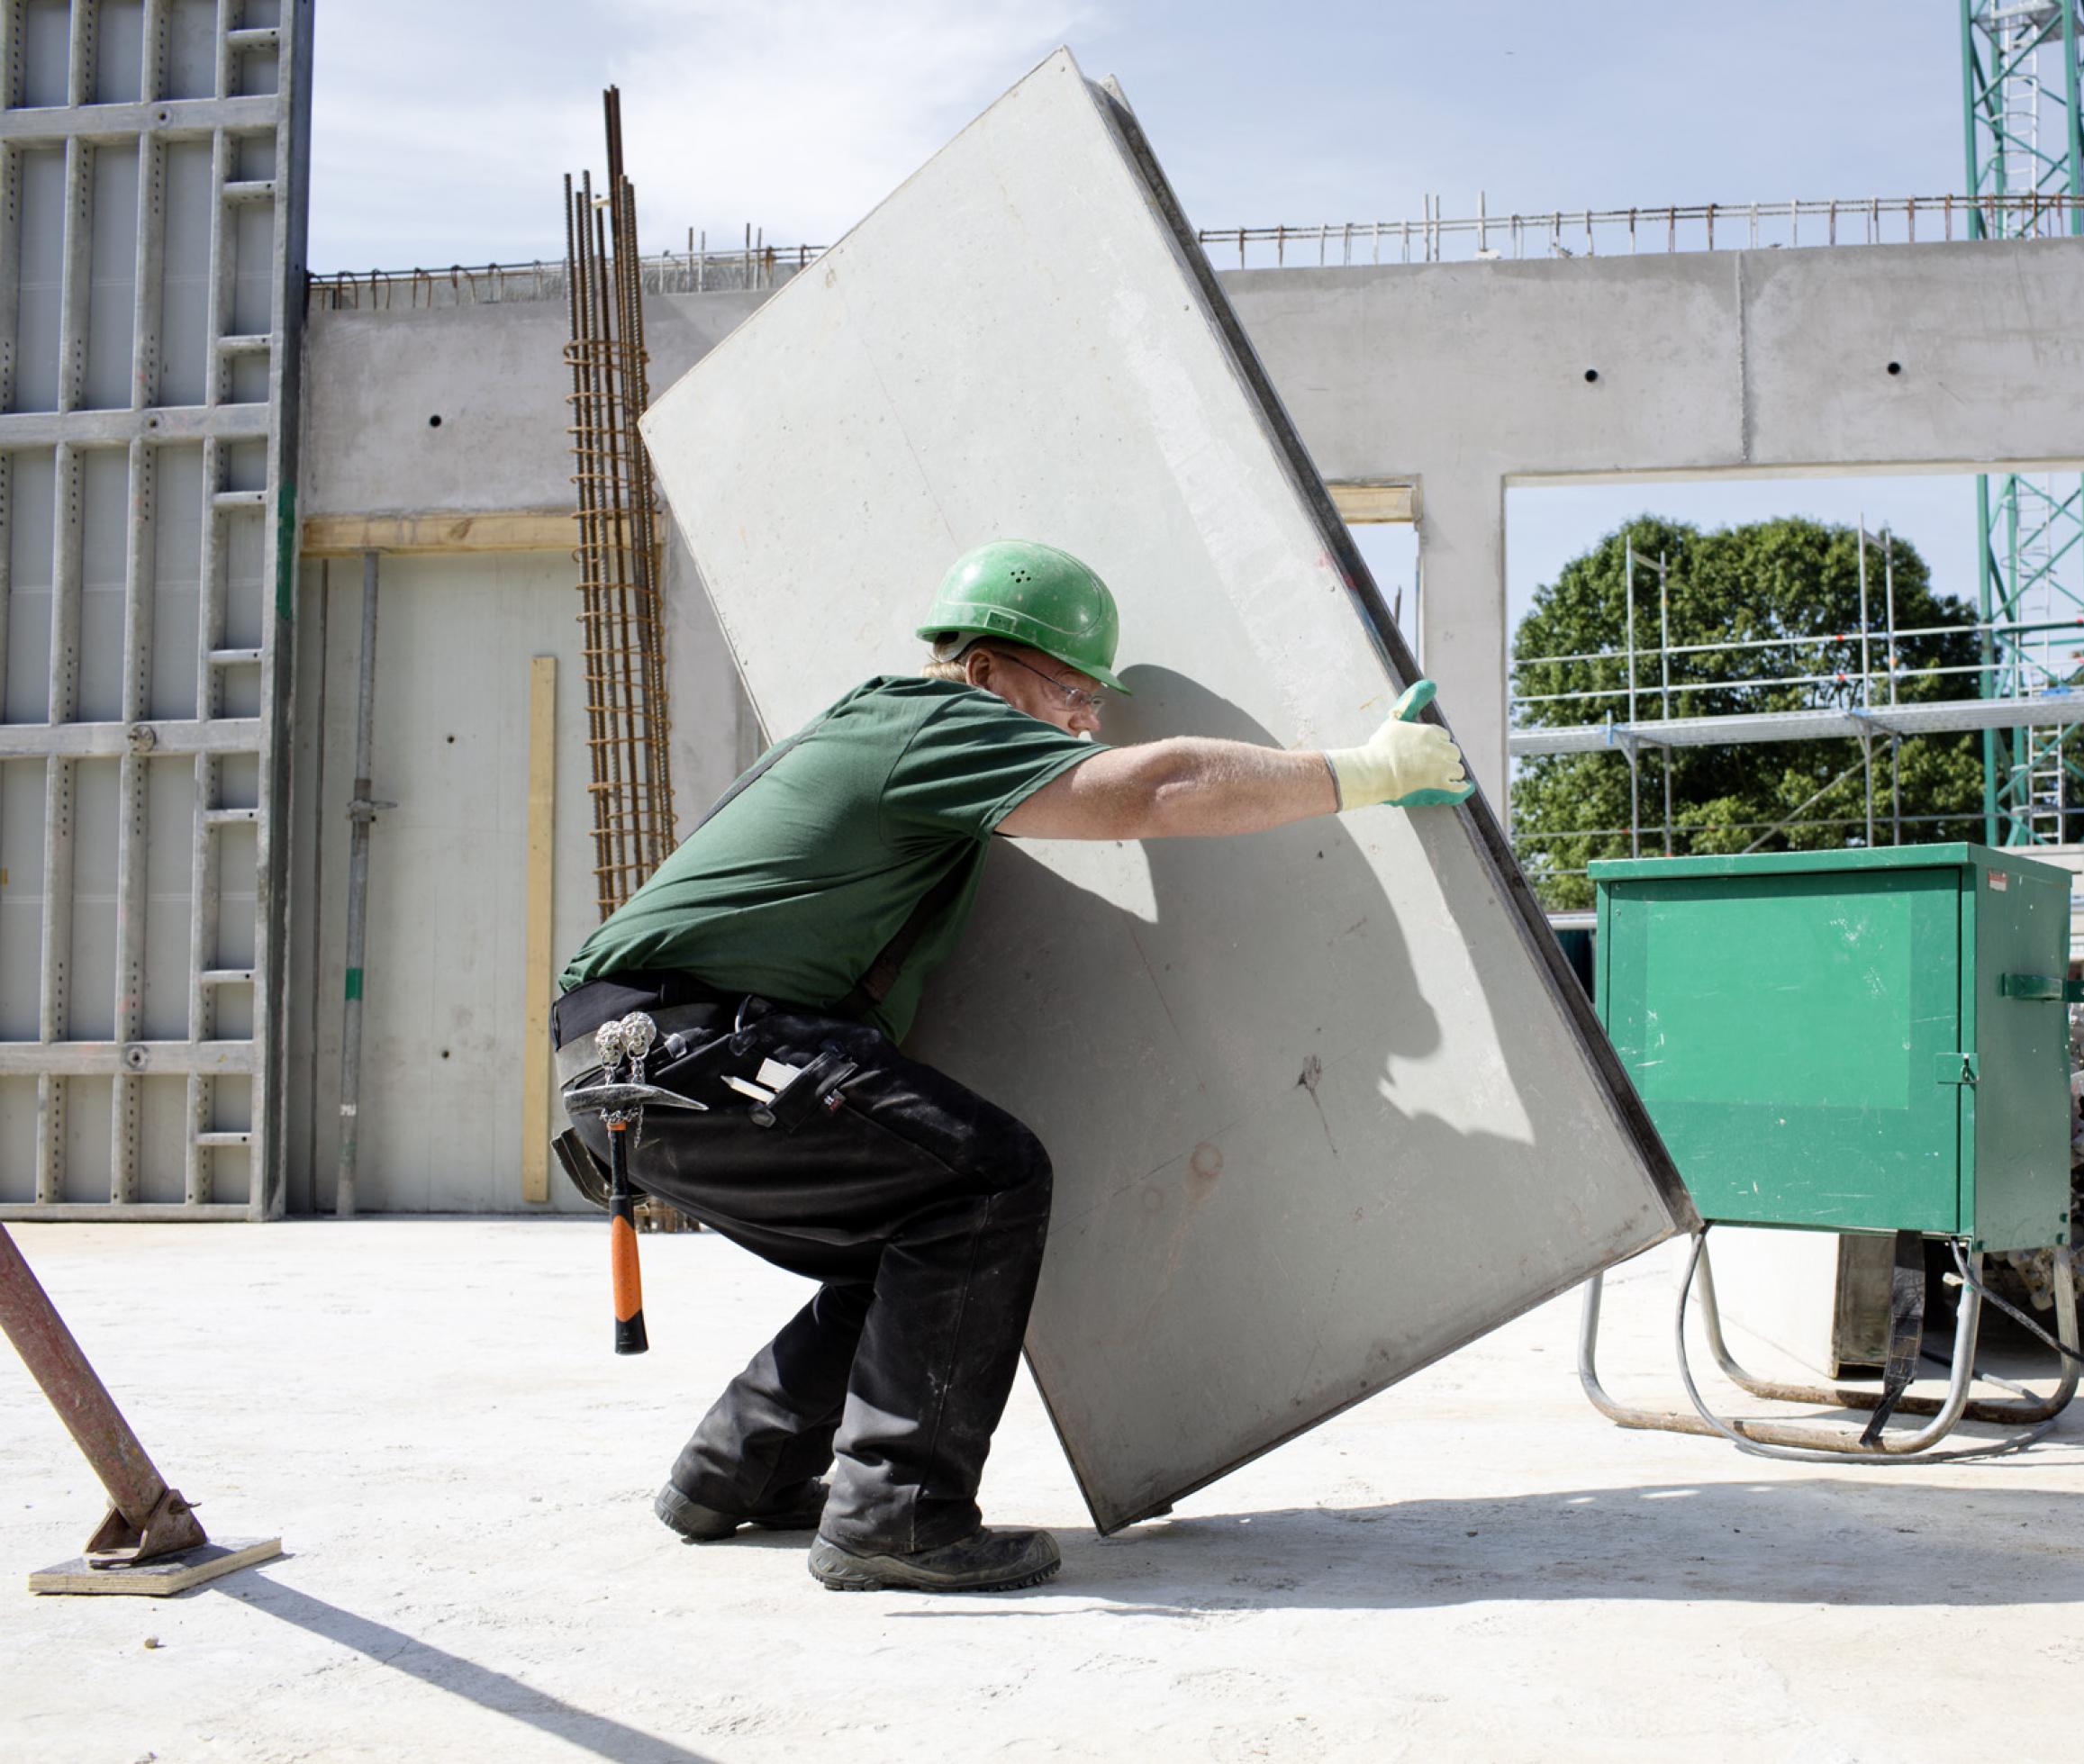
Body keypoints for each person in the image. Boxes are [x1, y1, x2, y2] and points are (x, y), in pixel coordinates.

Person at [549, 538, 1466, 1594]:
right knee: (985, 1179)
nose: (1082, 719)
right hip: (695, 1049)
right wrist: (1365, 773)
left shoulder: (891, 740)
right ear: (983, 668)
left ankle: (735, 1474)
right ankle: (896, 1518)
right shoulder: (935, 720)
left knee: (902, 1245)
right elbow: (1153, 791)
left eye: (1091, 702)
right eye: (1069, 690)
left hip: (644, 1070)